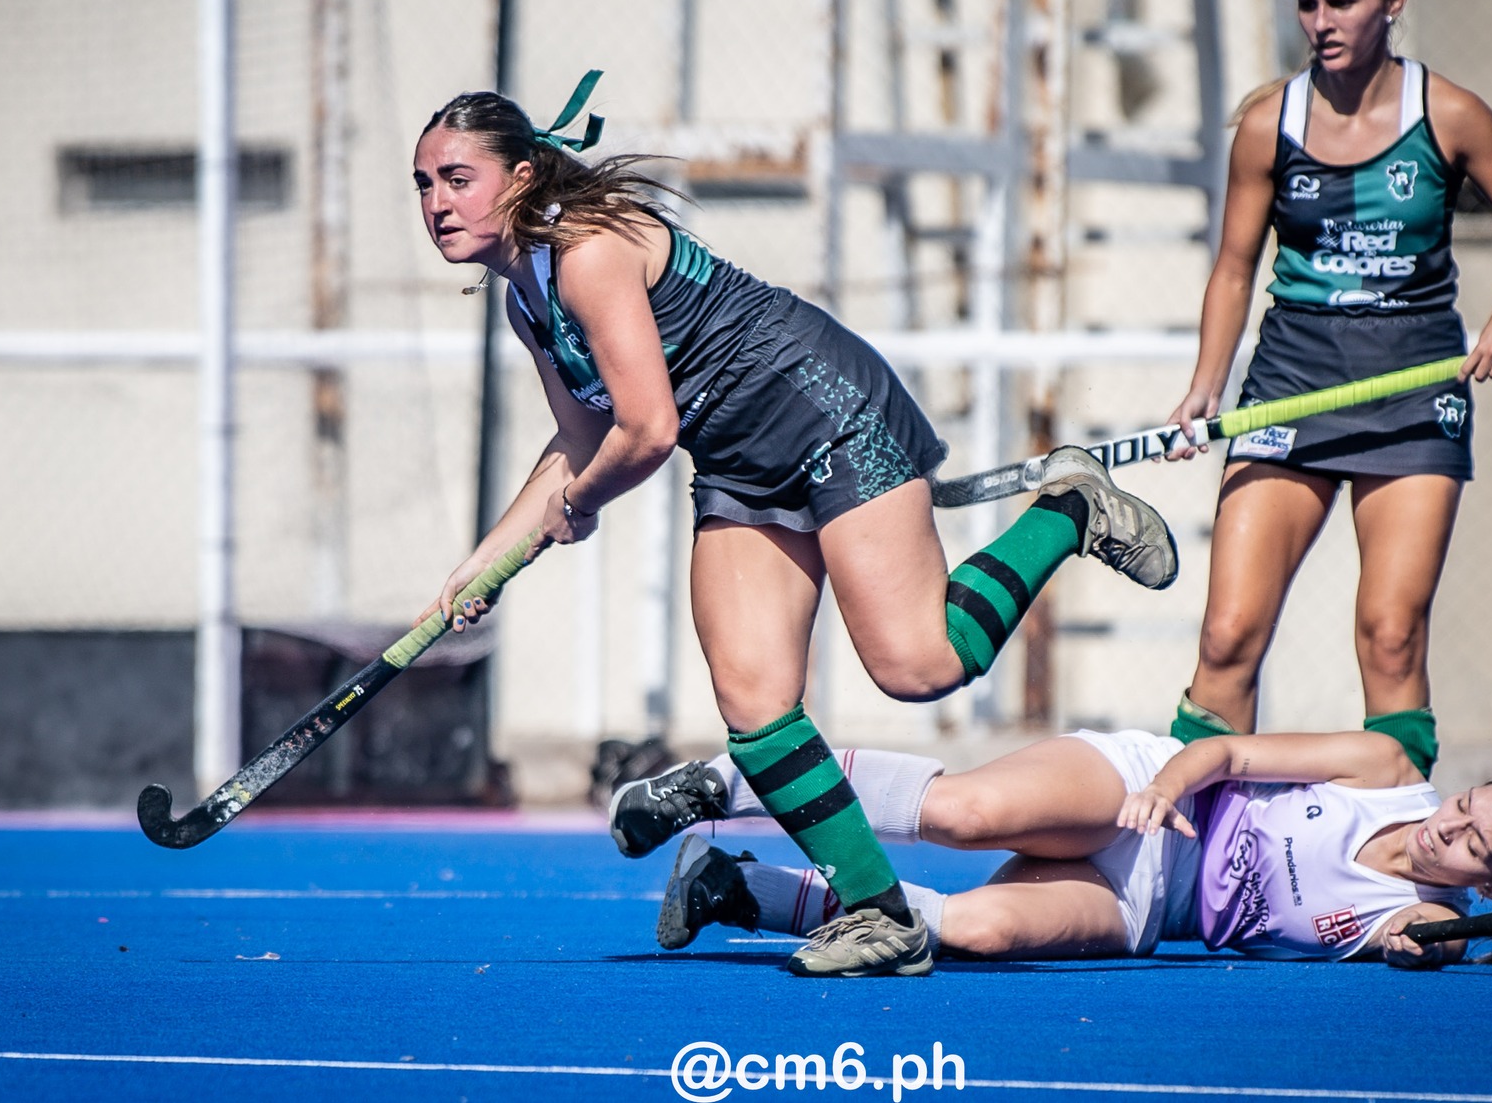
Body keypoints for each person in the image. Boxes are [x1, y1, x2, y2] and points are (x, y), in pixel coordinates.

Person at [414, 71, 1181, 978]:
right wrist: (484, 565)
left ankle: (1067, 510)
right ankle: (879, 915)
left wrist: (577, 507)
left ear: (522, 174)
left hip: (824, 409)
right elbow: (578, 439)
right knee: (753, 699)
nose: (436, 203)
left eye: (456, 178)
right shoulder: (525, 297)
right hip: (740, 460)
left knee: (920, 663)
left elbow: (647, 430)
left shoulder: (586, 250)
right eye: (423, 184)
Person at [1161, 0, 1492, 777]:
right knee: (1229, 631)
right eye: (1308, 4)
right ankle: (1190, 838)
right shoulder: (1270, 124)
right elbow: (1235, 268)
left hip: (1413, 396)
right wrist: (1208, 383)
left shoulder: (1451, 114)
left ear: (1393, 2)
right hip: (1290, 386)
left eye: (1342, 1)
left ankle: (1396, 844)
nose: (1323, 21)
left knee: (1390, 631)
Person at [632, 727, 1492, 969]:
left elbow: (1422, 943)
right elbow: (1234, 749)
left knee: (974, 931)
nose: (1445, 827)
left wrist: (1470, 938)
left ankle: (740, 888)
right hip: (1143, 789)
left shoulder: (1423, 916)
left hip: (1150, 909)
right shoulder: (1387, 765)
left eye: (1471, 845)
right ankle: (731, 780)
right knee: (962, 813)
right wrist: (1165, 788)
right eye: (1464, 803)